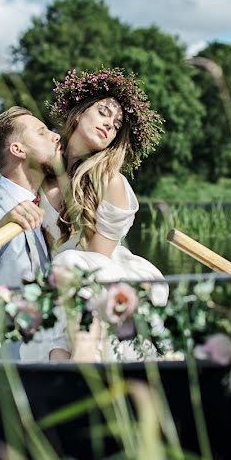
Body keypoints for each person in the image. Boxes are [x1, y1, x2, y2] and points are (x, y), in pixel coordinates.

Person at [40, 68, 166, 361]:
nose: (110, 124)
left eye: (117, 124)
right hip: (58, 280)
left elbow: (97, 259)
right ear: (80, 113)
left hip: (105, 280)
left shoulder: (110, 182)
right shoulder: (41, 172)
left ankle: (84, 360)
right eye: (103, 113)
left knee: (70, 263)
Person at [0, 106, 70, 361]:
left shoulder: (37, 206)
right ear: (18, 149)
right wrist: (1, 226)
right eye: (42, 132)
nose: (55, 135)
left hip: (30, 355)